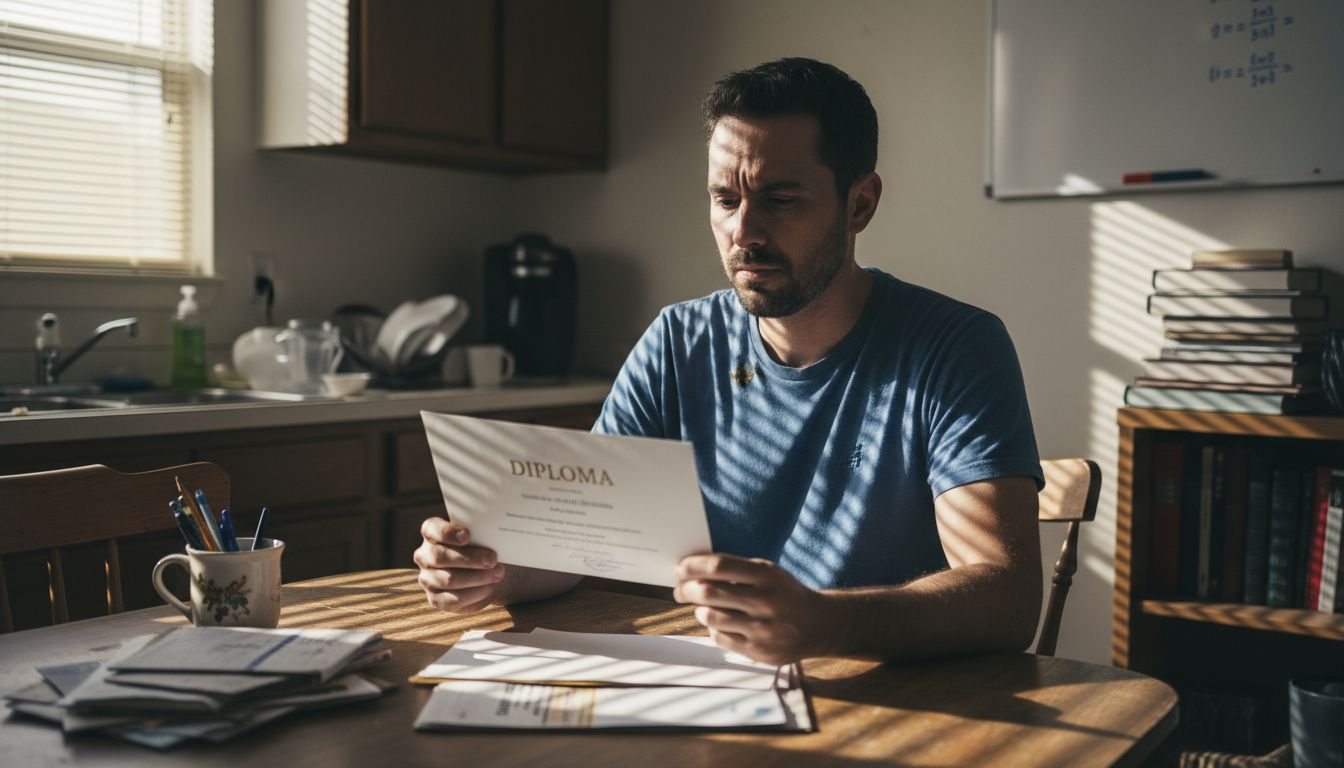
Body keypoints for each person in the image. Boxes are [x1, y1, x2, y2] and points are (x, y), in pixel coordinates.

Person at [415, 57, 1044, 665]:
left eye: (781, 199)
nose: (744, 231)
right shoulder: (678, 341)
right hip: (710, 694)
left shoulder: (955, 346)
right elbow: (586, 550)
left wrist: (825, 622)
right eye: (725, 199)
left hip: (900, 707)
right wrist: (492, 572)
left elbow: (1007, 597)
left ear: (860, 205)